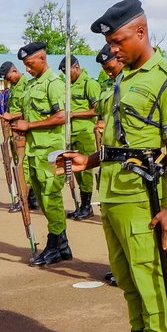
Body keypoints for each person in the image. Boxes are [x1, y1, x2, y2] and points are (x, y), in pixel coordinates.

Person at [56, 0, 167, 332]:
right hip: (112, 191)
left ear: (141, 32)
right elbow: (118, 143)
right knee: (126, 277)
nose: (112, 50)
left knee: (147, 276)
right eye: (110, 44)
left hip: (141, 195)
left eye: (118, 41)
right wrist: (89, 160)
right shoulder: (121, 79)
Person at [12, 41, 74, 266]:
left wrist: (29, 125)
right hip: (34, 151)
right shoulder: (31, 85)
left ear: (42, 58)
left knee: (51, 198)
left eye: (30, 64)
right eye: (25, 65)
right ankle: (62, 245)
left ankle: (55, 244)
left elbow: (62, 116)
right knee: (42, 199)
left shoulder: (53, 83)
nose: (27, 69)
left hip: (50, 151)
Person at [60, 55, 101, 220]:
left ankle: (87, 206)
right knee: (75, 169)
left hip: (85, 133)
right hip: (70, 134)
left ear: (76, 67)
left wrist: (74, 114)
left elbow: (98, 110)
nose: (66, 76)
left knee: (85, 171)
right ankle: (81, 205)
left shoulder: (89, 84)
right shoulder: (67, 86)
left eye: (68, 72)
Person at [0, 61, 34, 212]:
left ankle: (23, 200)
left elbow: (27, 110)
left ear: (14, 71)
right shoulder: (14, 86)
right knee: (19, 164)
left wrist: (11, 116)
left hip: (22, 132)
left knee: (22, 166)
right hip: (14, 131)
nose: (8, 81)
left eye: (9, 77)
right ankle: (31, 199)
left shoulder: (27, 84)